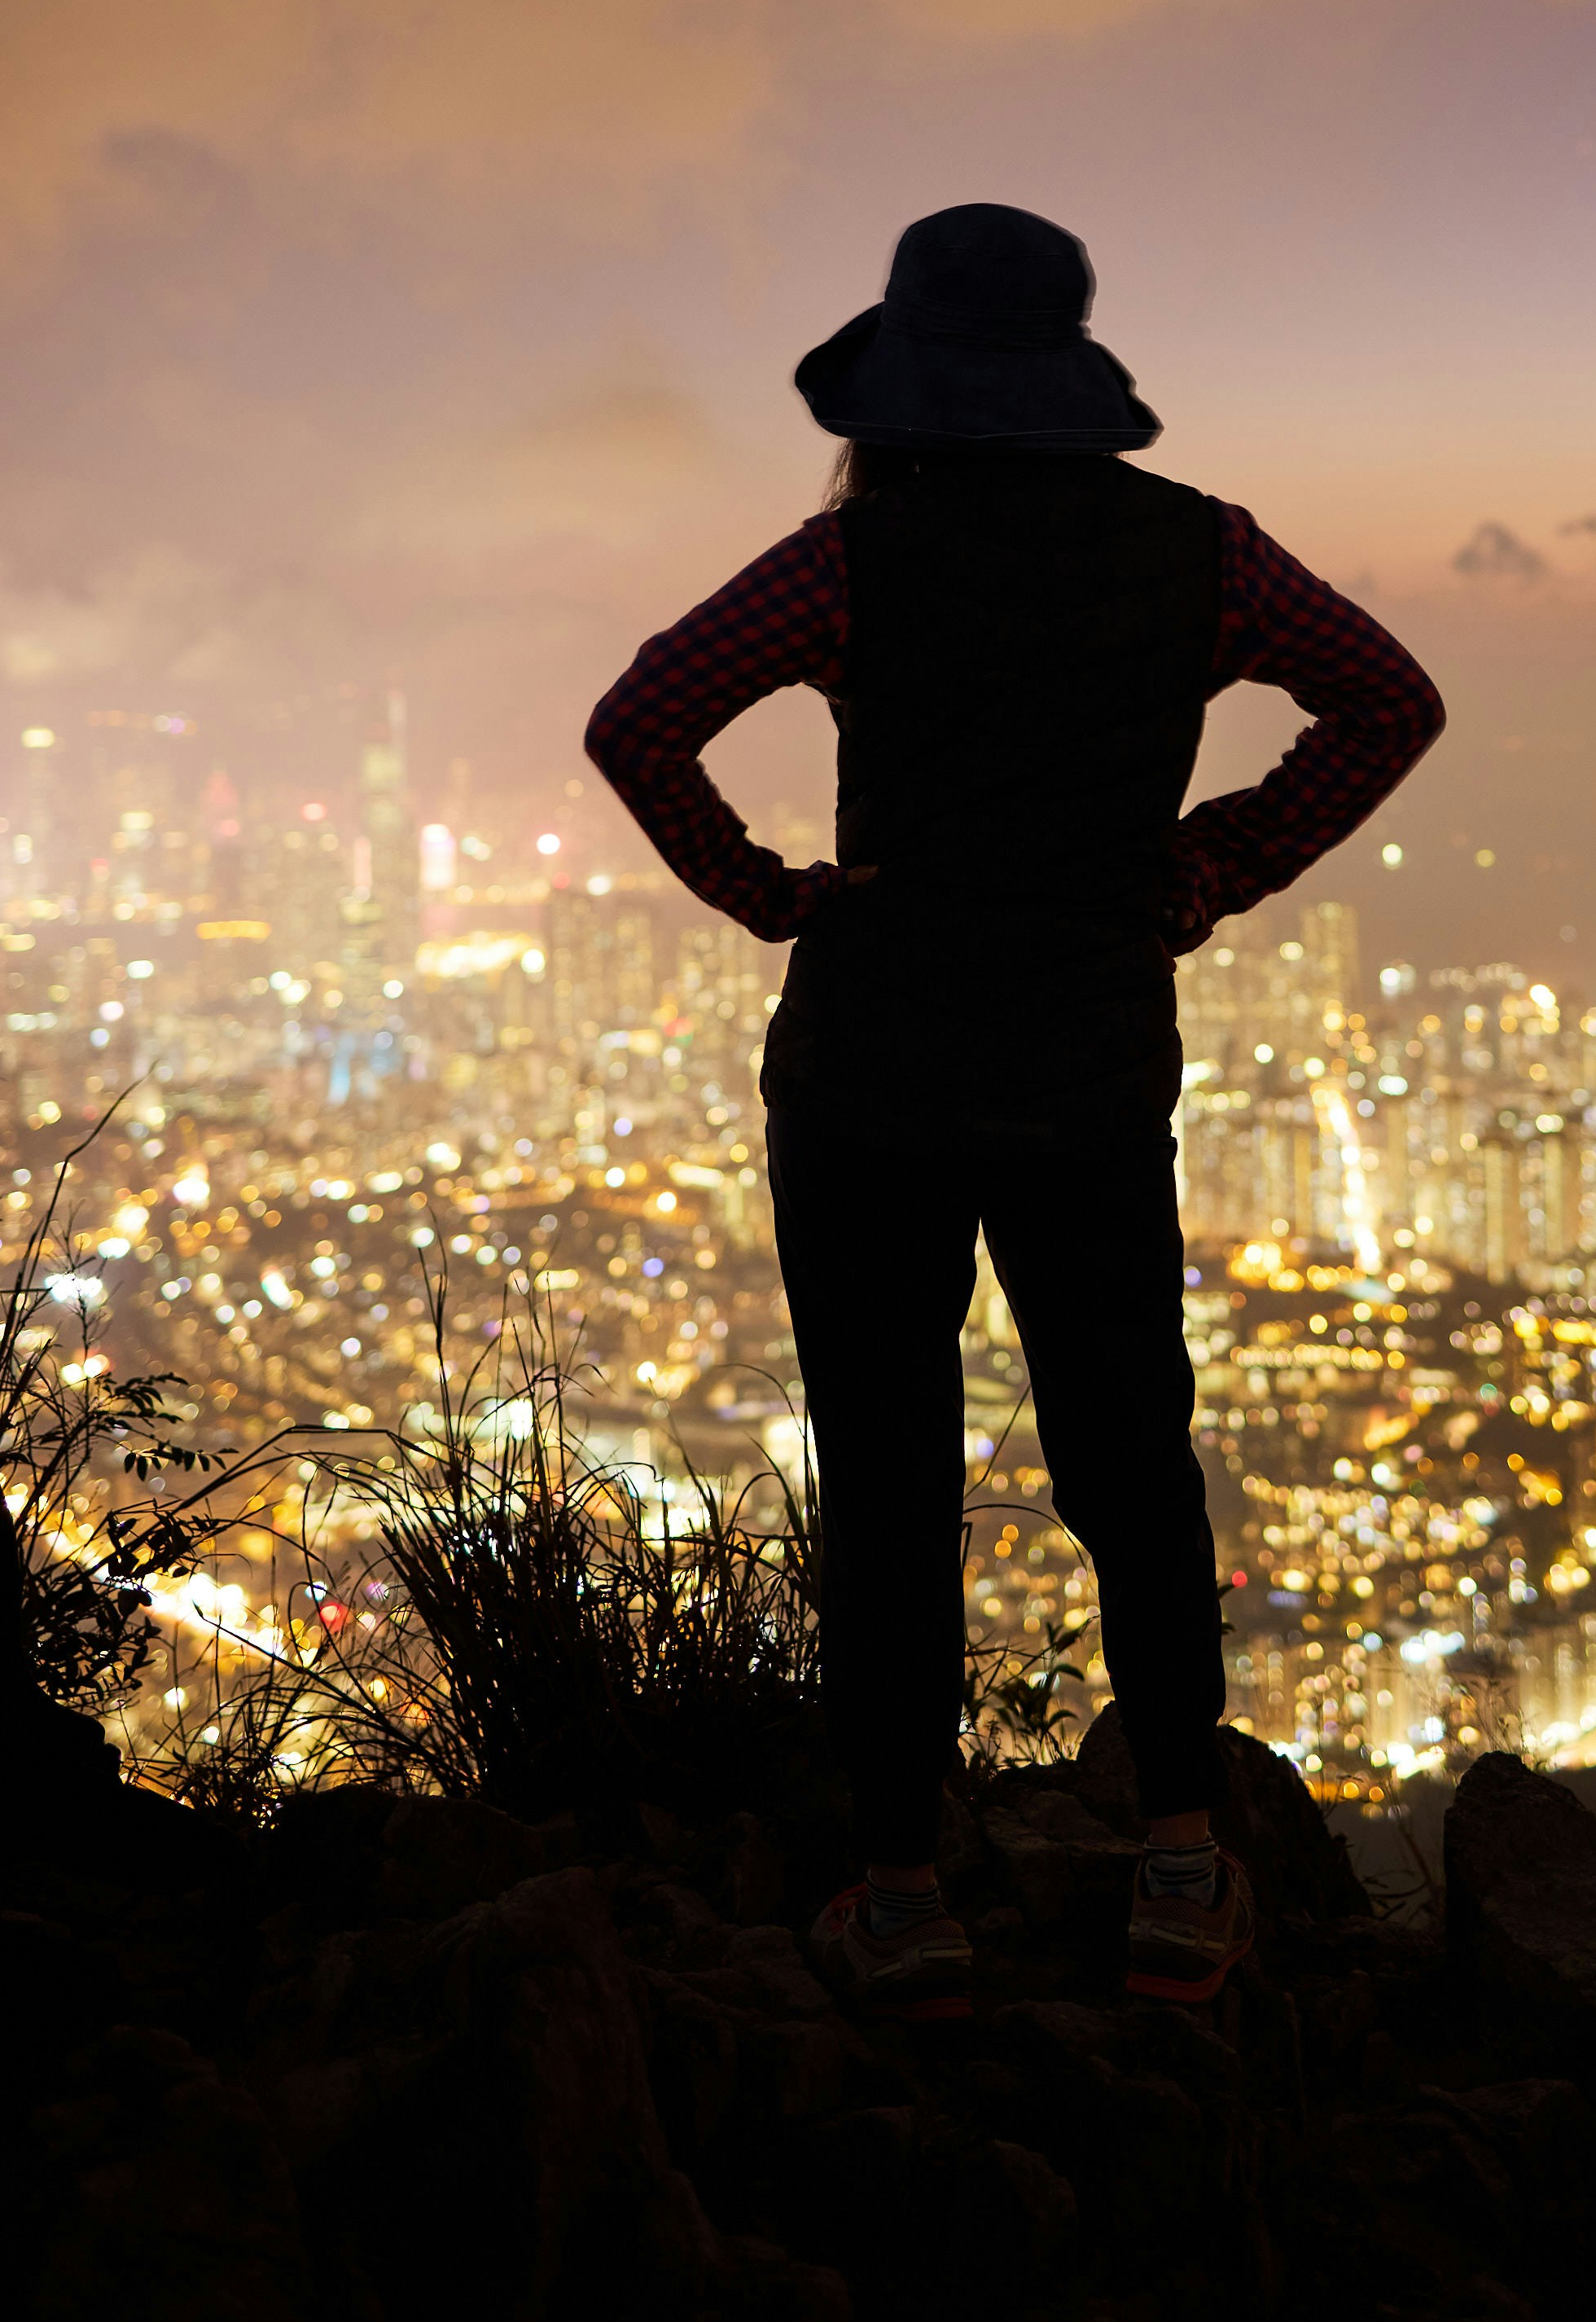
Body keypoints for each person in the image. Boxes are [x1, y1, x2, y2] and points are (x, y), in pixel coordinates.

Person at [587, 204, 1444, 2015]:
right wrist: (1209, 866)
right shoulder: (1199, 555)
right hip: (1085, 1054)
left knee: (889, 1469)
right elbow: (1388, 697)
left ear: (899, 382)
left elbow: (642, 716)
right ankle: (1185, 1861)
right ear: (1070, 377)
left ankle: (899, 1890)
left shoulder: (850, 561)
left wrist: (767, 891)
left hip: (873, 1064)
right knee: (1130, 1454)